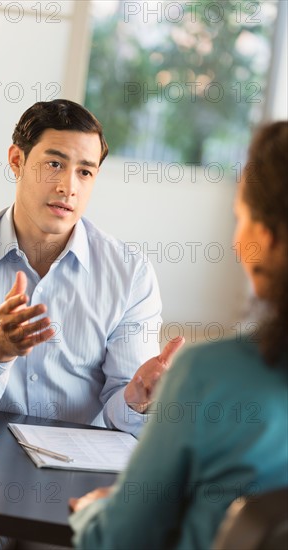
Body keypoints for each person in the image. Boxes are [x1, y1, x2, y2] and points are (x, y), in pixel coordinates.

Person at [69, 121, 288, 549]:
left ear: (262, 237)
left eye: (240, 217)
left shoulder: (209, 376)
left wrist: (96, 509)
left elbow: (116, 539)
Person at [0, 99, 183, 436]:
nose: (69, 187)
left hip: (76, 468)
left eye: (85, 171)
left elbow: (121, 416)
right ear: (16, 161)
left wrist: (137, 399)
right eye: (54, 163)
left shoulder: (129, 275)